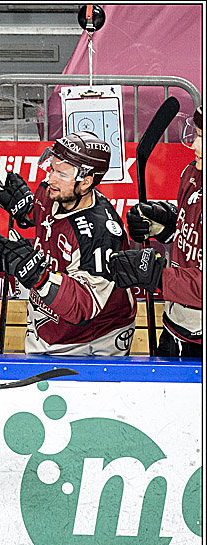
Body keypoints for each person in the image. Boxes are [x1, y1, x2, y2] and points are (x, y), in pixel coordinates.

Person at [0, 131, 136, 355]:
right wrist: (27, 210)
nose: (50, 179)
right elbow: (47, 221)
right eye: (52, 169)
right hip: (48, 328)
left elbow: (84, 306)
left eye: (61, 174)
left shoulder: (100, 235)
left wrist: (37, 274)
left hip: (92, 340)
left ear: (86, 182)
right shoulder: (52, 193)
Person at [110, 105, 202, 358]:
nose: (195, 146)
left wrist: (158, 277)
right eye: (196, 134)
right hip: (176, 324)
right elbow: (191, 238)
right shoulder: (193, 173)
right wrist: (164, 229)